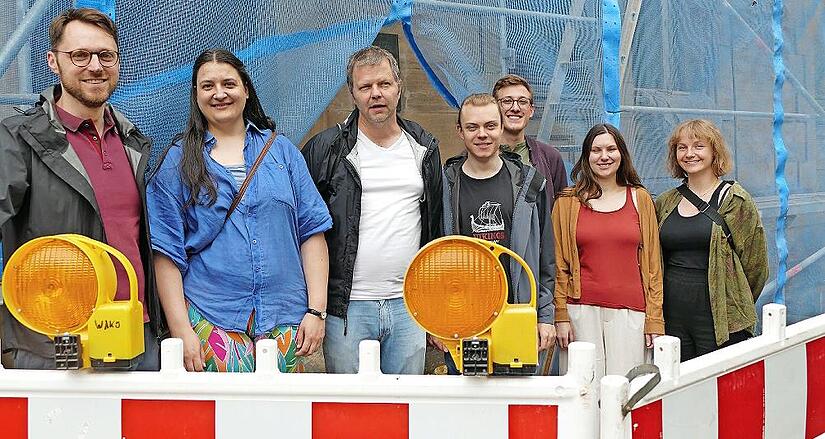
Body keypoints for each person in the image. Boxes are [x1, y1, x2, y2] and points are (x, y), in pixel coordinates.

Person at [147, 49, 331, 373]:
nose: (219, 93)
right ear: (196, 95)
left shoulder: (282, 152)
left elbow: (311, 232)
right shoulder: (177, 161)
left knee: (282, 419)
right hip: (210, 318)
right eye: (208, 86)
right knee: (224, 420)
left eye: (228, 83)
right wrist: (181, 330)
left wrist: (316, 311)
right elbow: (165, 252)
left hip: (286, 320)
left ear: (246, 89)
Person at [0, 8, 165, 370]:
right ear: (52, 62)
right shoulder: (18, 138)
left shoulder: (133, 143)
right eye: (80, 55)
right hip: (56, 345)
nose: (95, 66)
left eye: (106, 55)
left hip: (137, 336)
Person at [302, 46, 442, 374]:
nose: (375, 94)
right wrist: (315, 307)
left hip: (409, 306)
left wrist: (434, 305)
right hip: (346, 309)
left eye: (384, 84)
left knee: (405, 407)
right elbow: (306, 229)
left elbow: (437, 227)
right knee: (348, 410)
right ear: (352, 93)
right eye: (365, 87)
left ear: (398, 86)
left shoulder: (423, 146)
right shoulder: (326, 149)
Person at [440, 93, 555, 373]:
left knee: (518, 406)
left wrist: (546, 316)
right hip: (463, 321)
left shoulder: (529, 184)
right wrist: (437, 323)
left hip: (516, 315)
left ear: (502, 127)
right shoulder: (444, 185)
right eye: (472, 127)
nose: (482, 135)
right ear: (460, 132)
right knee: (468, 403)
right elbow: (432, 255)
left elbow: (546, 257)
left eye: (490, 126)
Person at [553, 123, 663, 382]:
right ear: (586, 156)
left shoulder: (640, 199)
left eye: (611, 149)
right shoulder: (567, 203)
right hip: (580, 312)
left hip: (631, 313)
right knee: (584, 392)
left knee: (627, 391)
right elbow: (559, 265)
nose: (604, 156)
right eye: (596, 150)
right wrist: (560, 316)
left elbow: (653, 266)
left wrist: (655, 320)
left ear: (621, 154)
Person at [655, 119, 768, 361]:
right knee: (676, 383)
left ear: (714, 151)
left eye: (698, 146)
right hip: (673, 312)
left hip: (719, 315)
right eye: (682, 147)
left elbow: (755, 265)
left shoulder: (735, 200)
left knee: (716, 384)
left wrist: (734, 300)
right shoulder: (665, 202)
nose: (689, 154)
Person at [492, 74, 568, 205]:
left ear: (531, 110)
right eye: (507, 101)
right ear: (494, 108)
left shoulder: (550, 158)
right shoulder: (477, 156)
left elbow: (561, 212)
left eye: (522, 102)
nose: (515, 108)